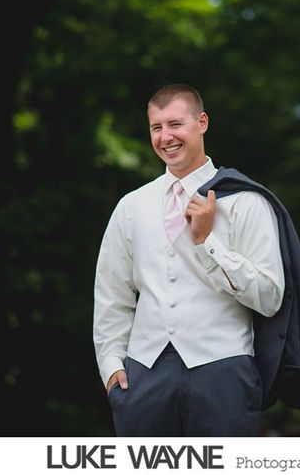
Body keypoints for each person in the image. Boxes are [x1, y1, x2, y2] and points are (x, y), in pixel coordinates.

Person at [93, 84, 285, 436]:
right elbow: (112, 295)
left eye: (175, 124)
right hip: (143, 378)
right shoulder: (131, 206)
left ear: (202, 123)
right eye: (156, 127)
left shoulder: (245, 202)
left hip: (223, 374)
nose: (166, 137)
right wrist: (110, 366)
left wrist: (207, 243)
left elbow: (270, 297)